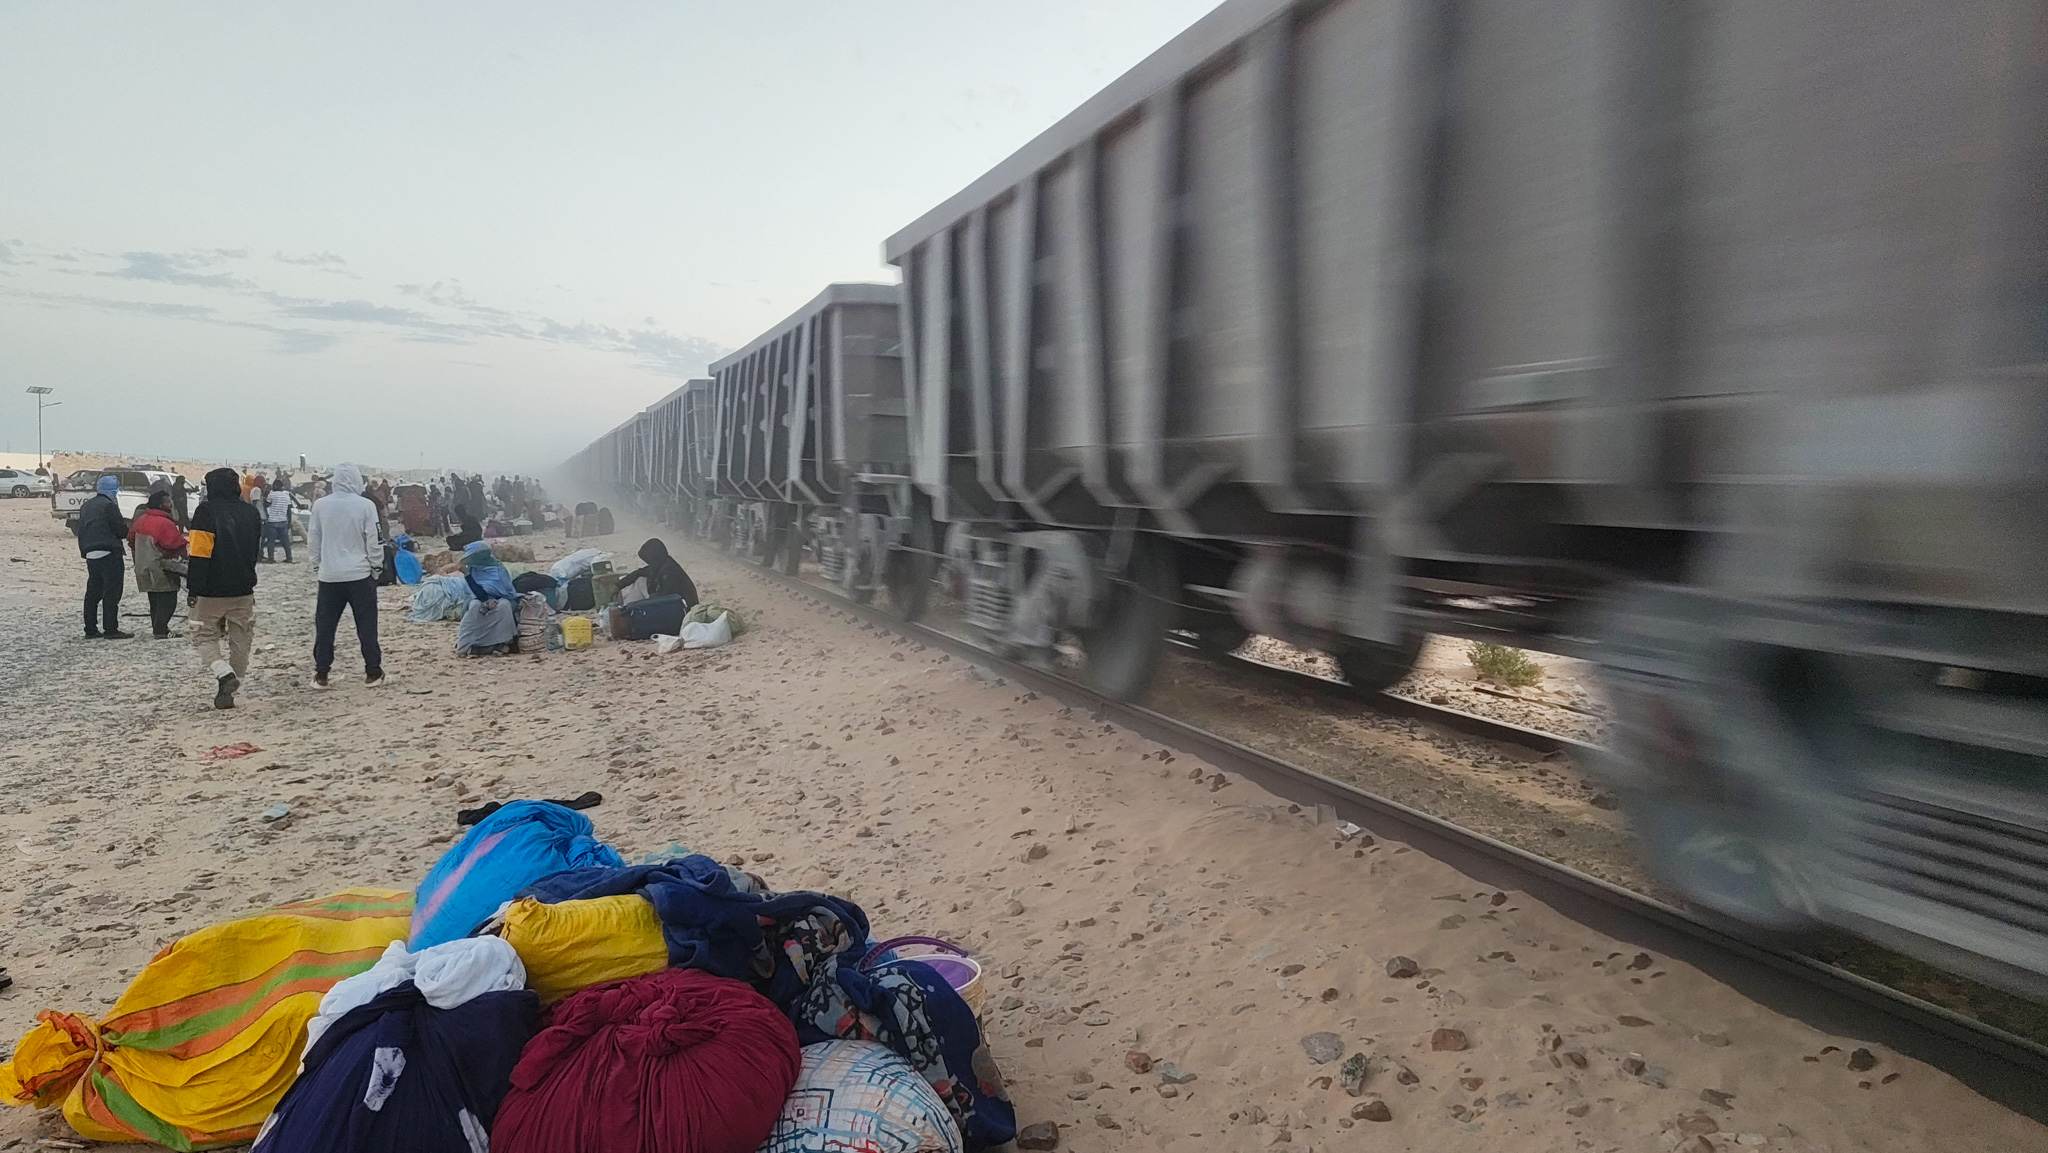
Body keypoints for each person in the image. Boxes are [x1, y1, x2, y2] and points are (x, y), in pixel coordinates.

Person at [187, 466, 262, 708]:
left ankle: (223, 673)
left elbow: (199, 555)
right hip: (243, 588)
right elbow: (254, 552)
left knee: (203, 635)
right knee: (242, 639)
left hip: (211, 590)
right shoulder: (250, 513)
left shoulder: (205, 512)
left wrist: (193, 588)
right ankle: (232, 685)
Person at [308, 462, 386, 689]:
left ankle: (321, 673)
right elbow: (375, 539)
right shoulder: (365, 505)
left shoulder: (320, 505)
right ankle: (373, 671)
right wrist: (376, 567)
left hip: (329, 576)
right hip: (360, 575)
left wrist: (317, 567)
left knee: (325, 627)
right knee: (367, 625)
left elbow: (314, 538)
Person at [73, 474, 132, 639]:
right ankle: (111, 628)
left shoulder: (87, 506)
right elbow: (120, 530)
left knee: (93, 592)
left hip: (90, 553)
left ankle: (90, 628)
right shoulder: (109, 506)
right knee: (112, 592)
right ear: (113, 490)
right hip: (109, 551)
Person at [129, 490, 187, 638]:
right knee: (168, 599)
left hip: (142, 566)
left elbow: (130, 540)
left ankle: (159, 628)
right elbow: (174, 544)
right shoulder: (164, 523)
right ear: (161, 505)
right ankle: (161, 630)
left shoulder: (140, 520)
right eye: (168, 502)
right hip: (160, 567)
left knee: (154, 600)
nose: (170, 504)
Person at [620, 537, 698, 607]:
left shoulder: (670, 571)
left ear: (654, 557)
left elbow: (665, 597)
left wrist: (643, 602)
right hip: (669, 603)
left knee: (640, 584)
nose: (648, 563)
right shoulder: (660, 563)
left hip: (681, 608)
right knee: (640, 579)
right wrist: (618, 585)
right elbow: (639, 572)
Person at [263, 477, 296, 563]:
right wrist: (289, 522)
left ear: (274, 486)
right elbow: (289, 510)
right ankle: (289, 558)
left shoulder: (272, 494)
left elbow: (266, 504)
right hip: (283, 521)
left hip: (272, 521)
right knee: (285, 542)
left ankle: (271, 559)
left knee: (271, 541)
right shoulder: (286, 495)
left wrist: (264, 498)